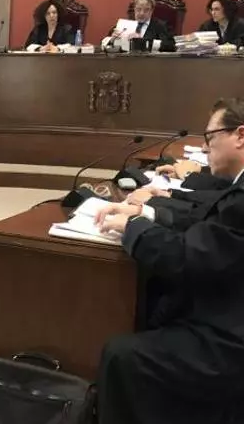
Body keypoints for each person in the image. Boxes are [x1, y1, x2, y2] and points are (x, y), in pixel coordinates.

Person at [93, 98, 244, 423]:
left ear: (240, 136)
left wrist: (134, 229)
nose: (204, 147)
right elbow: (210, 220)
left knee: (122, 354)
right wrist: (144, 212)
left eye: (210, 137)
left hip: (232, 340)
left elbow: (187, 257)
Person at [101, 0, 175, 52]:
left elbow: (170, 46)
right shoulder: (124, 25)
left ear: (152, 11)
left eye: (146, 10)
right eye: (139, 9)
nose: (142, 13)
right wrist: (112, 40)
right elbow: (103, 43)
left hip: (151, 63)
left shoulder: (160, 26)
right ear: (134, 9)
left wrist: (142, 42)